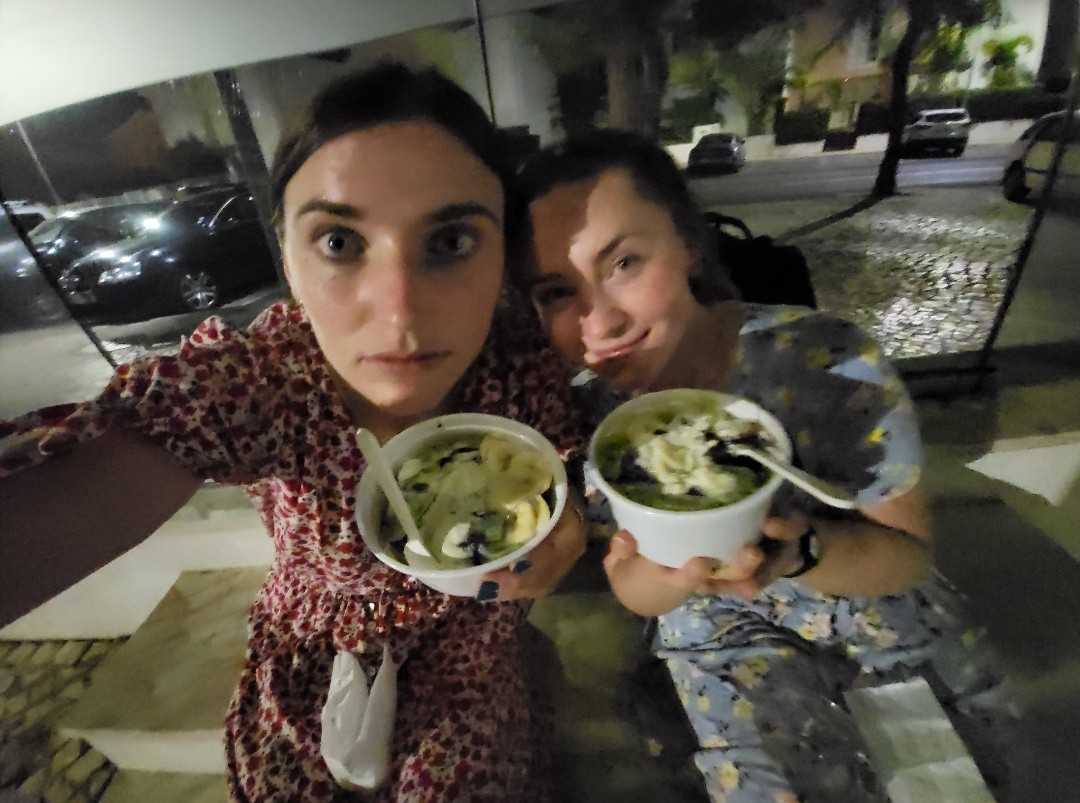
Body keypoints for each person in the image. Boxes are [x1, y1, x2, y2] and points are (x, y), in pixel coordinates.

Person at [0, 62, 587, 802]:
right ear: (286, 254)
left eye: (450, 242)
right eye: (339, 242)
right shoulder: (268, 382)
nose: (399, 311)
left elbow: (560, 482)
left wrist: (563, 528)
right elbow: (138, 442)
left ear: (503, 250)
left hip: (474, 642)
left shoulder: (520, 365)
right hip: (315, 658)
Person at [511, 129, 1017, 802]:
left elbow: (906, 556)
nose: (597, 322)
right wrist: (672, 577)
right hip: (719, 641)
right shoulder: (596, 421)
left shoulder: (827, 363)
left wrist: (801, 550)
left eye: (624, 262)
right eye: (556, 292)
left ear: (688, 244)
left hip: (872, 614)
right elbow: (635, 585)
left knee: (939, 780)